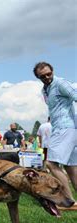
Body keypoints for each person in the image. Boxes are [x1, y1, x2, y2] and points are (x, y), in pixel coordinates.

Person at [34, 62, 77, 206]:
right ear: (38, 77)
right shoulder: (45, 89)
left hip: (65, 128)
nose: (47, 77)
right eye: (43, 76)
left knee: (51, 163)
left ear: (52, 71)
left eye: (49, 74)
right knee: (71, 166)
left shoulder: (60, 83)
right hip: (62, 128)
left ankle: (69, 200)